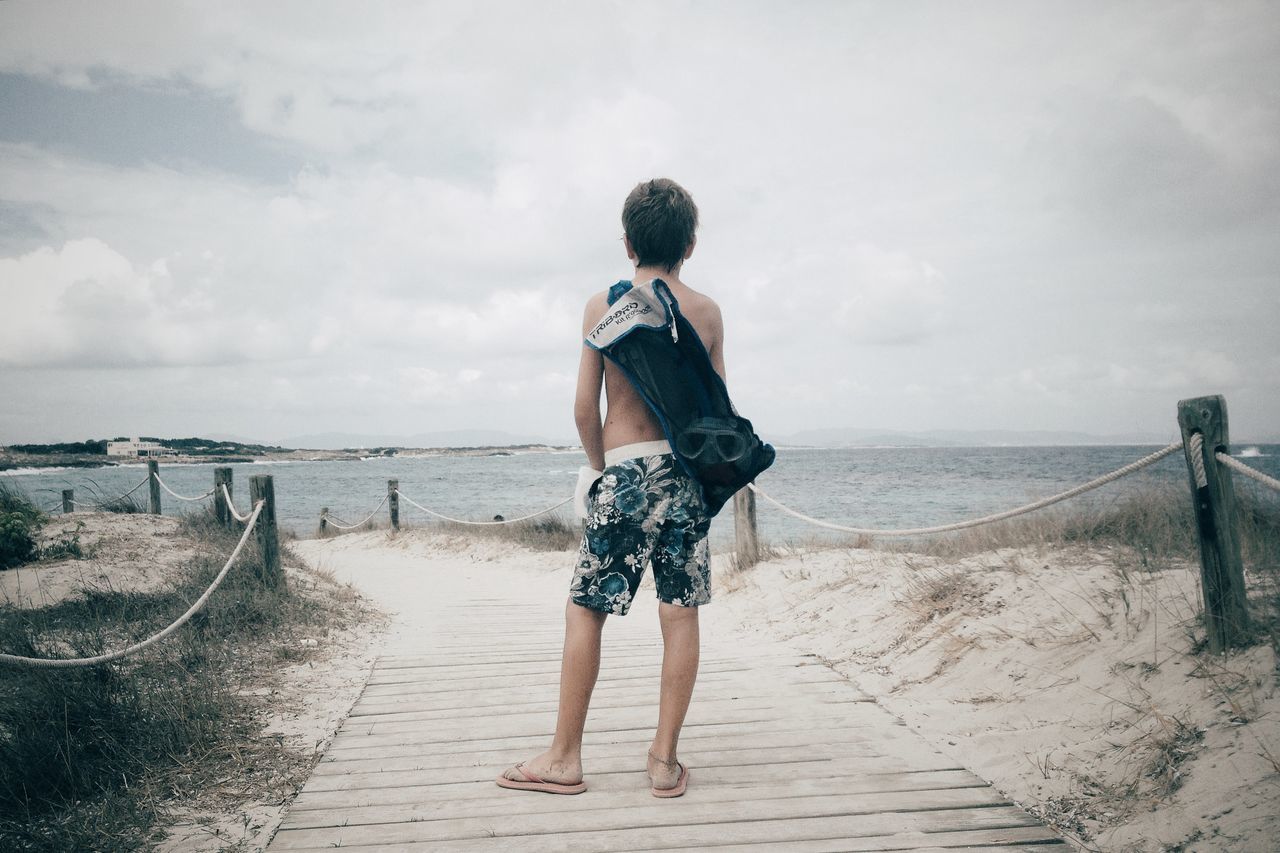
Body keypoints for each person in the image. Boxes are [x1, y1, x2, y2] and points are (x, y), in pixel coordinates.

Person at [496, 178, 723, 798]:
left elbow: (582, 409)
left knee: (586, 612)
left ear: (627, 243)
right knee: (679, 617)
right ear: (691, 244)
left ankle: (565, 759)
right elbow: (716, 418)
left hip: (622, 472)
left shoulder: (603, 306)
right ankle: (663, 761)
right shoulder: (705, 312)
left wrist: (600, 471)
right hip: (683, 478)